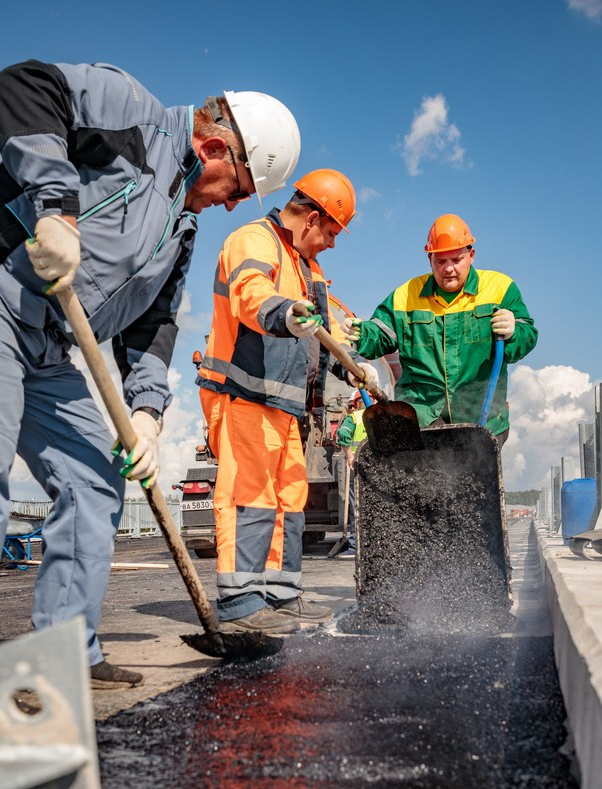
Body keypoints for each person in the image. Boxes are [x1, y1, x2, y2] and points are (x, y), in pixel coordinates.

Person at [0, 59, 301, 689]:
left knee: (96, 478)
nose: (230, 206)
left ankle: (63, 654)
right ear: (214, 148)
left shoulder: (181, 226)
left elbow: (155, 324)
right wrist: (55, 208)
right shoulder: (135, 114)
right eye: (238, 191)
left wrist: (147, 414)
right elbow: (24, 85)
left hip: (45, 342)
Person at [196, 169, 380, 635]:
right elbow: (251, 294)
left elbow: (328, 336)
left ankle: (280, 593)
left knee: (289, 499)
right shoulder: (254, 240)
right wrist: (285, 312)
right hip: (242, 392)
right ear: (313, 217)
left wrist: (358, 367)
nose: (333, 245)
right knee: (249, 497)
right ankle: (240, 601)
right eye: (333, 233)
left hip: (283, 404)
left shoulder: (308, 269)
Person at [342, 214, 538, 447]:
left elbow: (527, 336)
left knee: (476, 478)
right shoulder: (405, 296)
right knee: (427, 481)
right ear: (429, 260)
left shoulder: (500, 288)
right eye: (440, 261)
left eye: (456, 259)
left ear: (471, 255)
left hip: (481, 418)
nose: (449, 269)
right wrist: (362, 333)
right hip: (423, 419)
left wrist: (514, 331)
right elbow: (380, 334)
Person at [335, 389, 368, 558]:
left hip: (357, 468)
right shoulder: (382, 415)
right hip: (378, 469)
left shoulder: (354, 418)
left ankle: (356, 545)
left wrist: (349, 456)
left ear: (355, 404)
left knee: (357, 508)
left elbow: (342, 433)